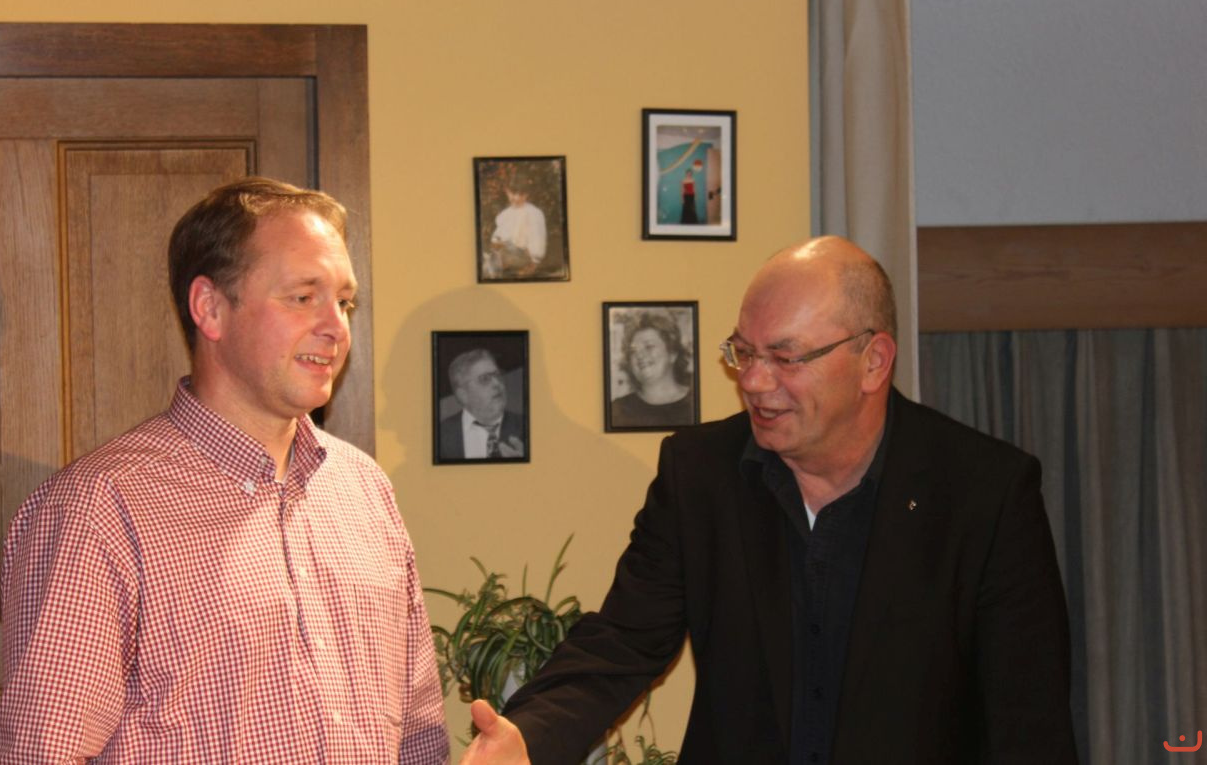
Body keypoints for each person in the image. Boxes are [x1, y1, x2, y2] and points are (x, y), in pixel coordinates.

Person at [460, 236, 1078, 764]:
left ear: (873, 362)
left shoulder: (984, 492)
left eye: (785, 357)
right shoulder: (699, 474)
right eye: (744, 352)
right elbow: (622, 641)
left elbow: (1027, 722)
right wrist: (529, 736)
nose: (753, 381)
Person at [0, 177, 449, 763]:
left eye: (344, 302)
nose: (336, 328)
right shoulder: (100, 508)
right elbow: (39, 753)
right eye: (302, 297)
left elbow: (418, 737)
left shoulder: (365, 490)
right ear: (209, 308)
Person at [609, 311, 695, 428]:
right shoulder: (617, 409)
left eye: (649, 346)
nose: (639, 355)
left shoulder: (695, 401)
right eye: (633, 351)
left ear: (672, 353)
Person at [439, 349, 526, 460]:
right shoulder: (441, 435)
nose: (497, 383)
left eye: (498, 375)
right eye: (484, 379)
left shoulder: (527, 426)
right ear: (463, 395)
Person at [489, 181, 547, 277]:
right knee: (495, 251)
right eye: (512, 193)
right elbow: (499, 235)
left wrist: (534, 261)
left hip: (526, 255)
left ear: (527, 195)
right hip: (509, 253)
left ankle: (527, 265)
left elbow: (537, 239)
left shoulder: (534, 213)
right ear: (507, 191)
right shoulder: (506, 213)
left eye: (521, 194)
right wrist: (497, 243)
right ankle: (504, 263)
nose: (516, 198)